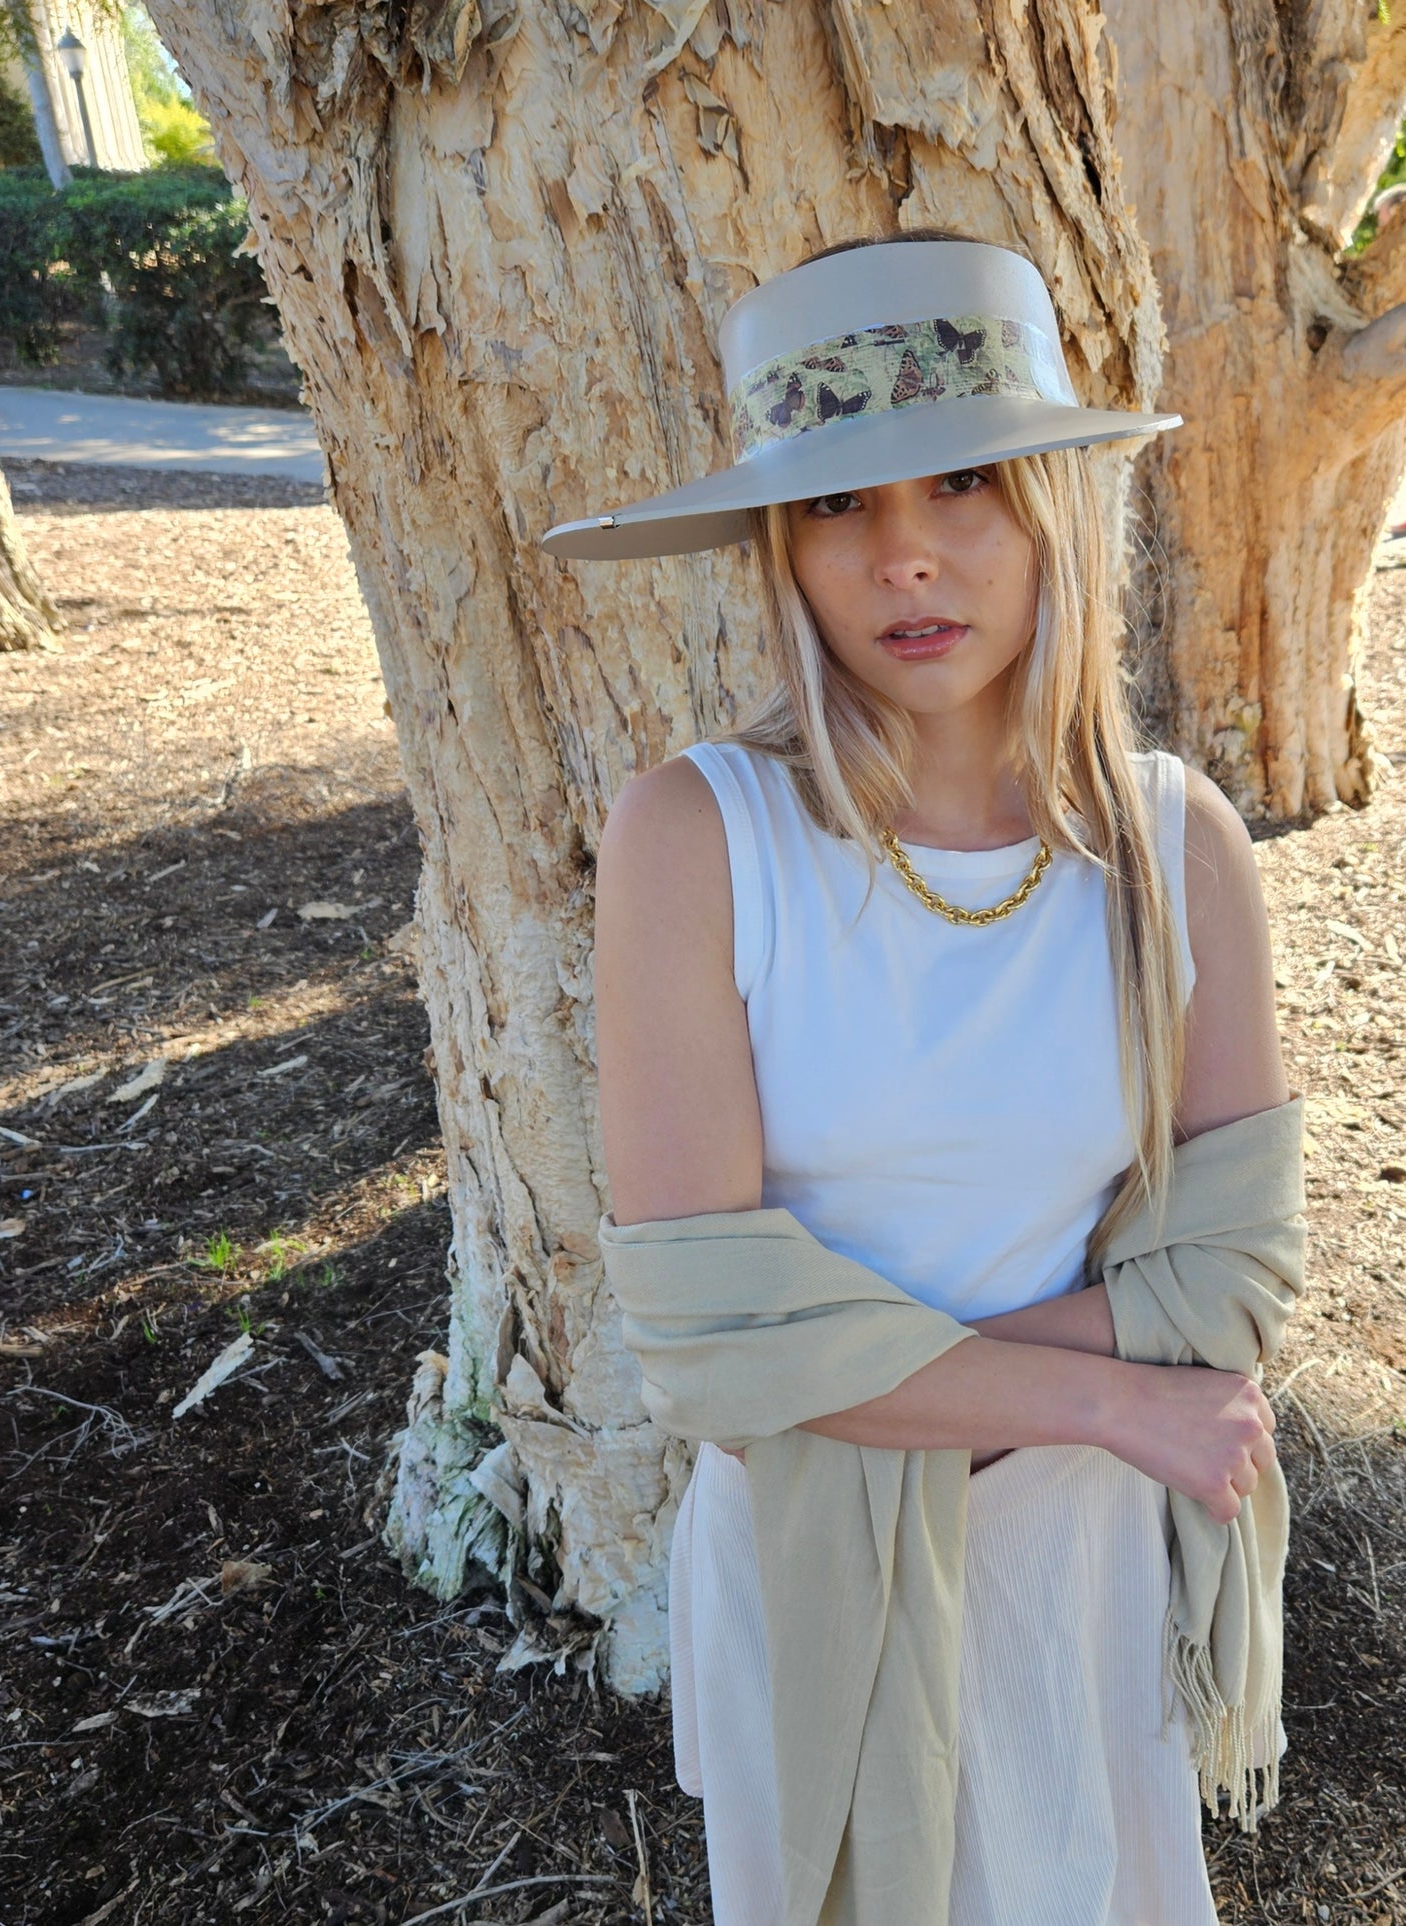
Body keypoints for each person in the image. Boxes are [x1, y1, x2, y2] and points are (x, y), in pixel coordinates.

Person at [544, 234, 1295, 1924]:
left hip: (1076, 1559)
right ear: (778, 548)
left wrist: (861, 1364)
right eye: (834, 505)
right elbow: (704, 1329)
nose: (901, 556)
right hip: (819, 1555)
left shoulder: (1174, 846)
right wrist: (1109, 1388)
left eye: (959, 481)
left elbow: (1235, 1271)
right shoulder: (698, 840)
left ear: (1049, 505)